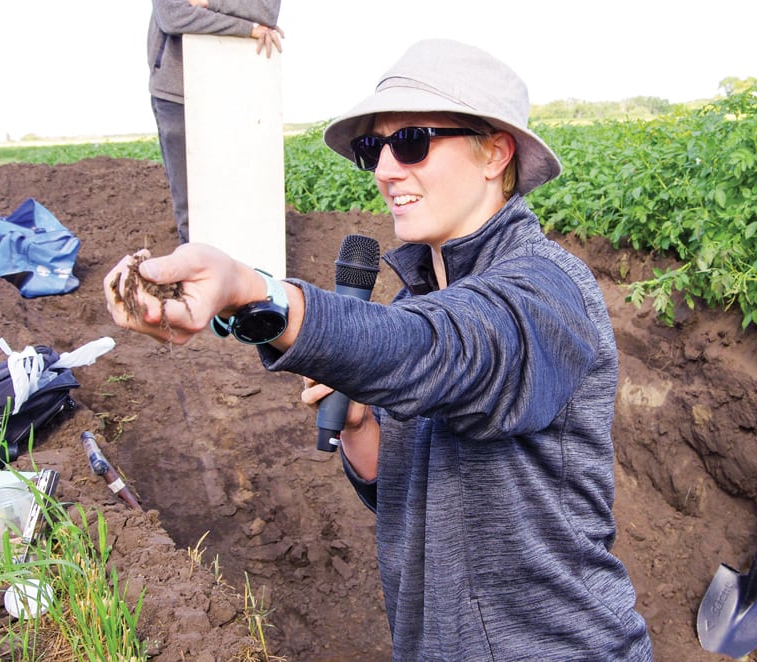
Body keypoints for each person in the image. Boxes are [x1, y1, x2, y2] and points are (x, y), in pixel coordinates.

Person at [106, 38, 654, 661]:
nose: (385, 169)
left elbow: (446, 348)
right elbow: (400, 492)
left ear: (494, 152)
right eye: (375, 147)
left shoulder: (548, 291)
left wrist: (256, 294)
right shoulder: (412, 303)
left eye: (413, 141)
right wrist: (363, 425)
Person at [148, 0, 283, 243]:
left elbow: (266, 10)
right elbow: (173, 17)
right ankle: (197, 273)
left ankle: (244, 272)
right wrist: (247, 28)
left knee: (238, 191)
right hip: (177, 91)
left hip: (235, 87)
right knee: (191, 203)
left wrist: (209, 2)